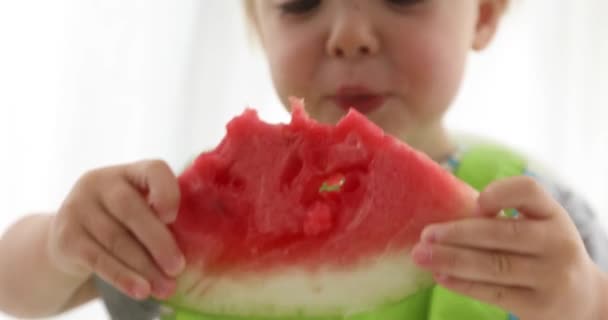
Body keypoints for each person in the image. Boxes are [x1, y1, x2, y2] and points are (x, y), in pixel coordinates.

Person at [1, 1, 607, 319]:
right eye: (298, 3)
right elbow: (16, 288)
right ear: (259, 24)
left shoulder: (540, 216)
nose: (347, 33)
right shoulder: (188, 211)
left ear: (483, 13)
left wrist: (582, 303)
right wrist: (62, 240)